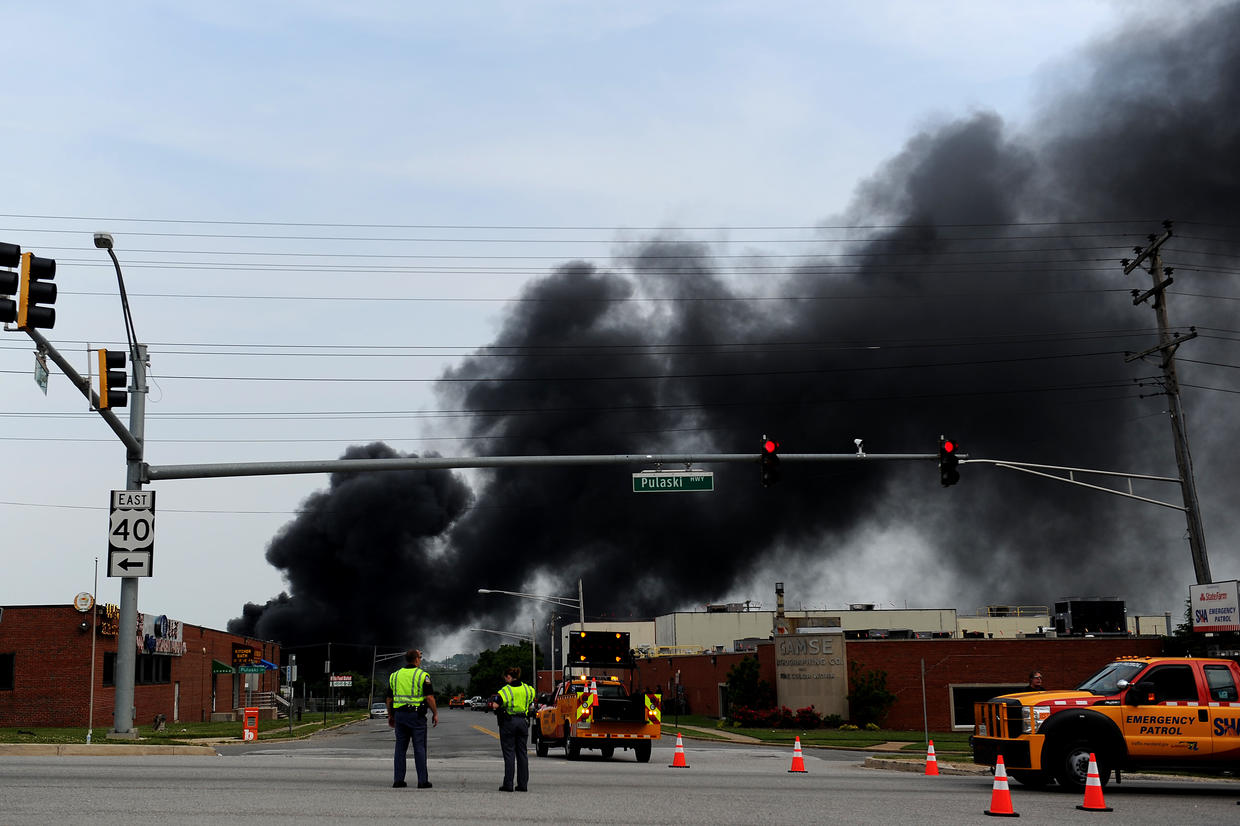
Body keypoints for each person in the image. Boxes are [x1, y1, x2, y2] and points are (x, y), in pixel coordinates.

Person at [386, 648, 438, 789]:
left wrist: (391, 715)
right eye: (420, 657)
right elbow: (429, 697)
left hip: (400, 716)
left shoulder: (394, 676)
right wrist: (435, 713)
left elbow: (389, 699)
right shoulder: (422, 675)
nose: (420, 659)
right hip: (416, 717)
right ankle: (422, 781)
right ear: (416, 659)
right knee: (419, 748)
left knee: (400, 749)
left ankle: (398, 780)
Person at [489, 666, 536, 792]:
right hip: (523, 722)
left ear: (508, 676)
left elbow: (495, 705)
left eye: (506, 677)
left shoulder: (505, 690)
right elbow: (532, 699)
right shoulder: (528, 689)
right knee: (522, 754)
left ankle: (508, 784)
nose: (505, 680)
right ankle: (523, 785)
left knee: (509, 753)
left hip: (509, 722)